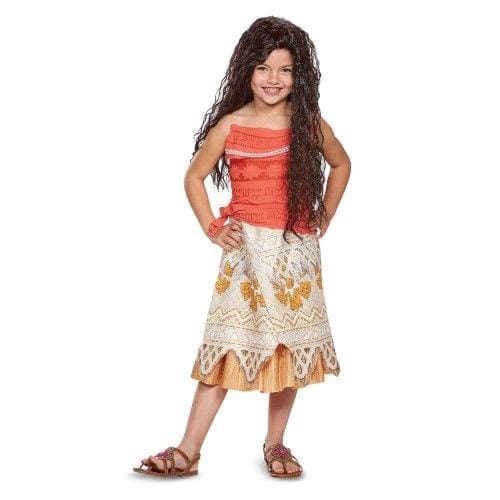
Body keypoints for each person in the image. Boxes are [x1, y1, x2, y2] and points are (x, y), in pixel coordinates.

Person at [133, 15, 351, 479]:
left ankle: (276, 443)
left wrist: (325, 213)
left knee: (287, 348)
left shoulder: (308, 124)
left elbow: (341, 163)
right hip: (246, 254)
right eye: (263, 68)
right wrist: (212, 226)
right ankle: (188, 450)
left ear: (299, 75)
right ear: (246, 71)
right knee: (224, 345)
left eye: (285, 70)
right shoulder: (231, 126)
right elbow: (194, 176)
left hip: (294, 254)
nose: (274, 79)